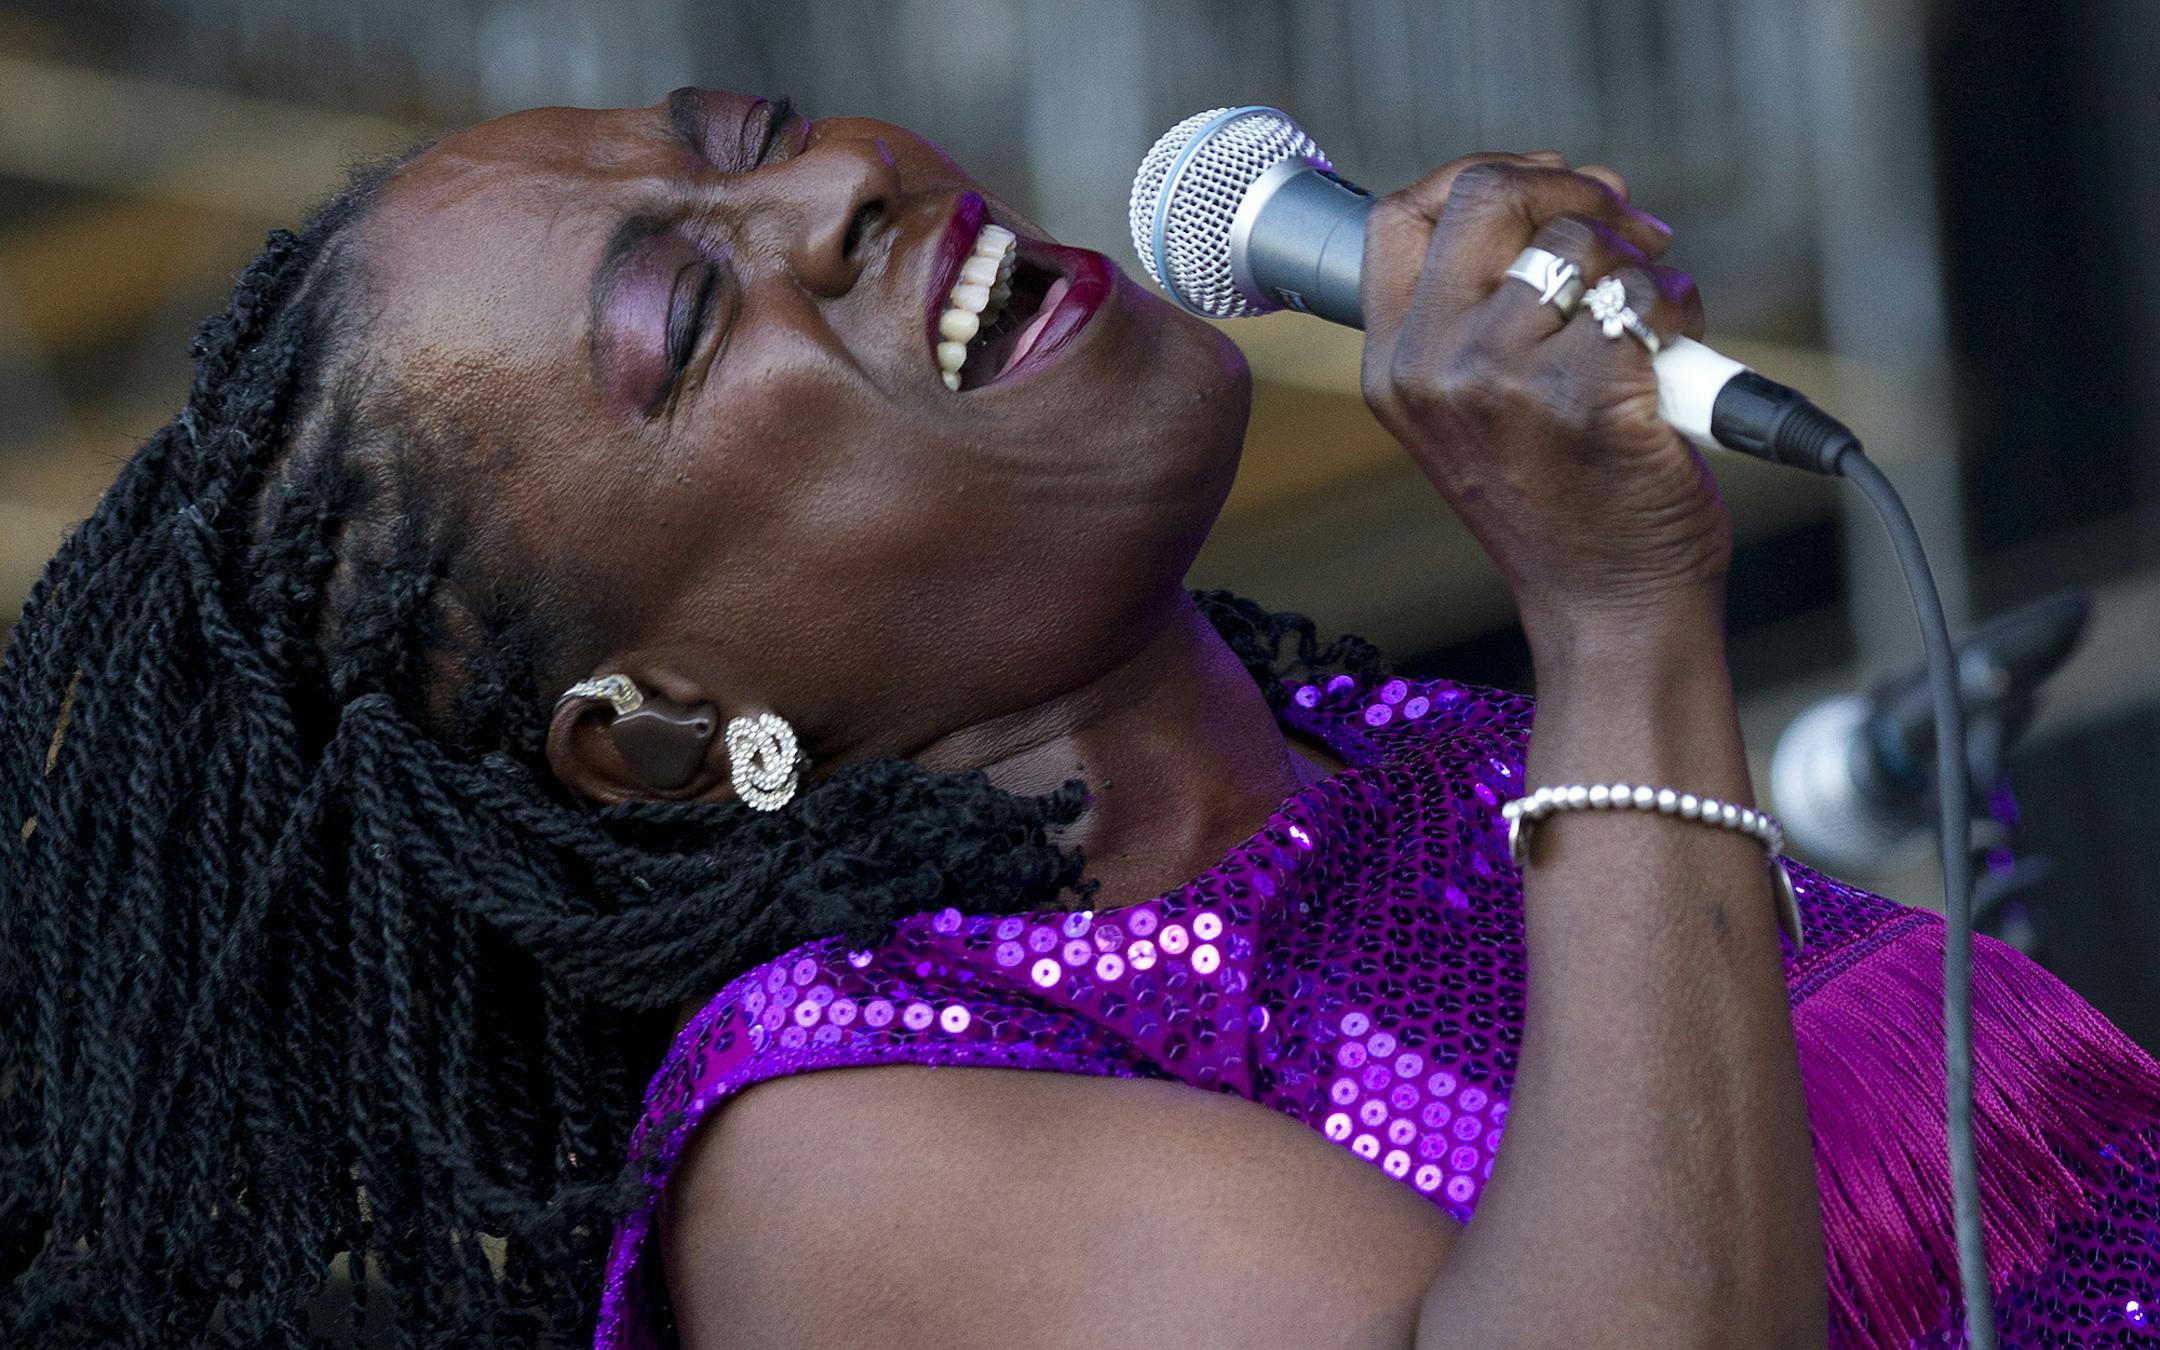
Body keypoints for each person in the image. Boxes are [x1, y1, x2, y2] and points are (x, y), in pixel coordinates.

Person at [2, 86, 2153, 1350]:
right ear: (651, 729)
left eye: (742, 140)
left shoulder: (1414, 769)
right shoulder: (834, 1153)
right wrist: (1614, 610)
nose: (828, 193)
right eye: (686, 312)